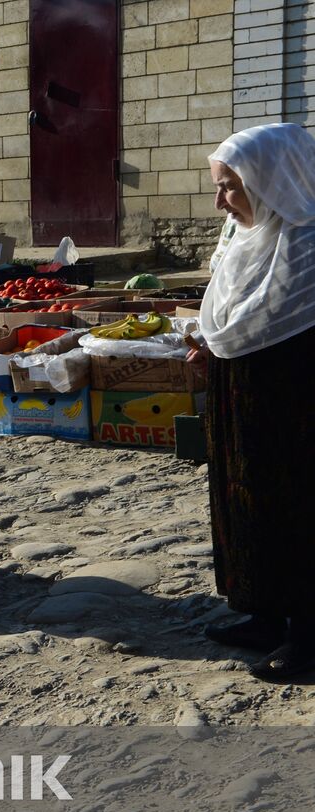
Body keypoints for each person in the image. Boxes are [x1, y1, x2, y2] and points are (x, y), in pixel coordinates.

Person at [190, 123, 315, 682]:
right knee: (245, 500)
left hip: (297, 406)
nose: (221, 201)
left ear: (273, 182)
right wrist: (211, 351)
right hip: (241, 399)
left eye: (231, 187)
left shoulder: (308, 243)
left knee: (300, 507)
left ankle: (309, 635)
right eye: (218, 186)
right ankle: (262, 612)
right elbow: (235, 317)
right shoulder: (241, 237)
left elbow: (286, 323)